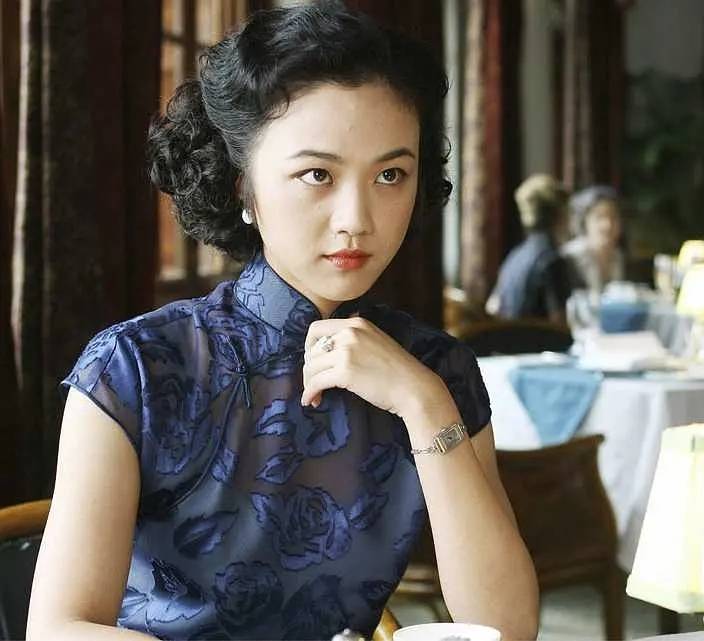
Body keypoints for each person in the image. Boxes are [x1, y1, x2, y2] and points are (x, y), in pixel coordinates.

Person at [26, 4, 539, 641]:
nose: (357, 219)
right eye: (317, 174)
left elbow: (506, 627)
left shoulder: (435, 369)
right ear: (241, 186)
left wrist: (424, 404)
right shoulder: (135, 368)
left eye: (390, 175)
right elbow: (61, 628)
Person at [485, 174, 572, 324]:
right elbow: (559, 324)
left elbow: (492, 307)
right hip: (537, 339)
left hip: (507, 337)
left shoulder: (516, 255)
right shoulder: (552, 260)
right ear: (561, 215)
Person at [561, 185, 625, 294]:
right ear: (584, 222)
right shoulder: (570, 256)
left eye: (613, 217)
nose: (607, 225)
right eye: (599, 217)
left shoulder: (617, 256)